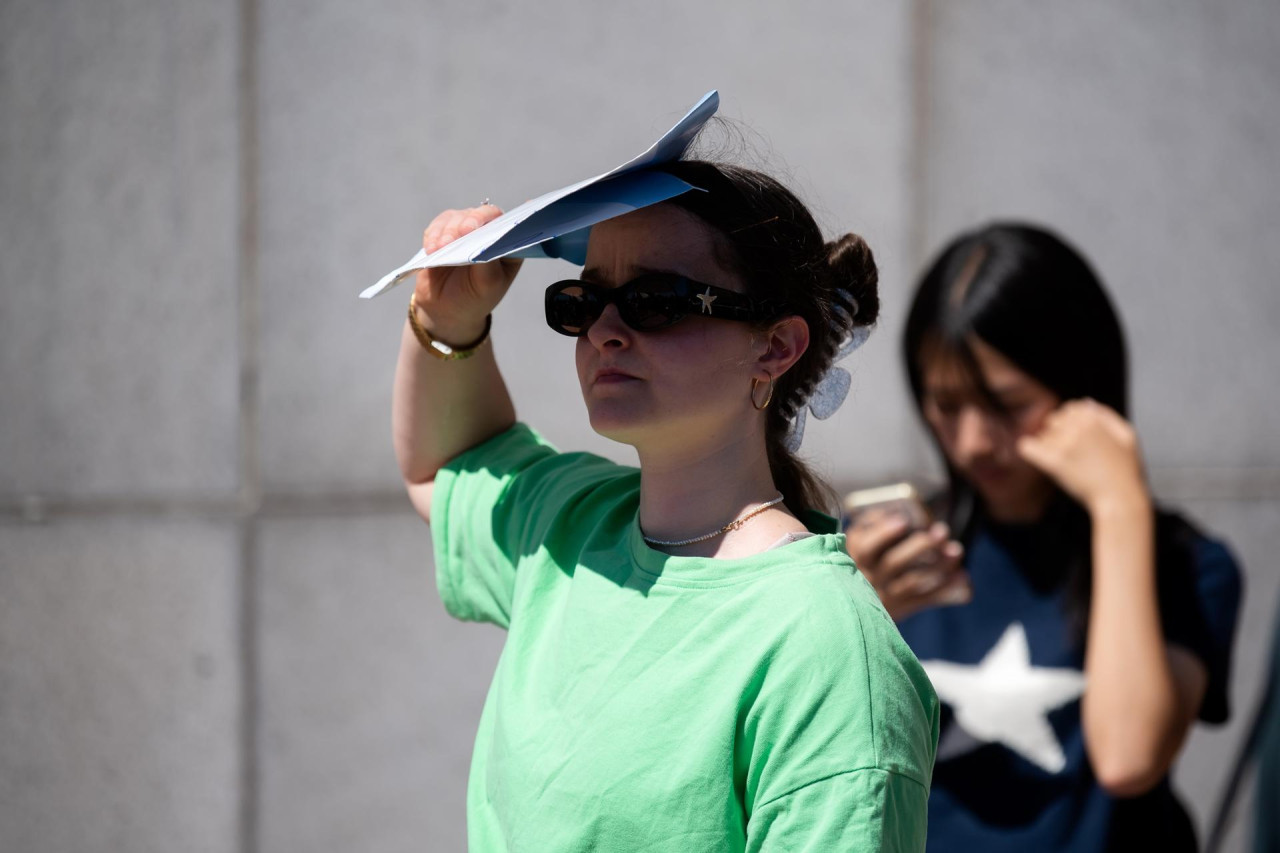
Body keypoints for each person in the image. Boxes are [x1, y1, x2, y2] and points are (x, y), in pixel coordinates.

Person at [393, 160, 939, 851]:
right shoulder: (573, 522)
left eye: (656, 299)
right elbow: (443, 467)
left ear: (776, 346)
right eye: (582, 303)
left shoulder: (825, 648)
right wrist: (449, 316)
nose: (605, 331)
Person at [845, 223, 1243, 851]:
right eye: (946, 404)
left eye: (1006, 403)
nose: (973, 441)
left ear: (1081, 387)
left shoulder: (1188, 566)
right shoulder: (889, 552)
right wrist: (847, 619)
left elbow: (1129, 757)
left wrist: (1118, 504)